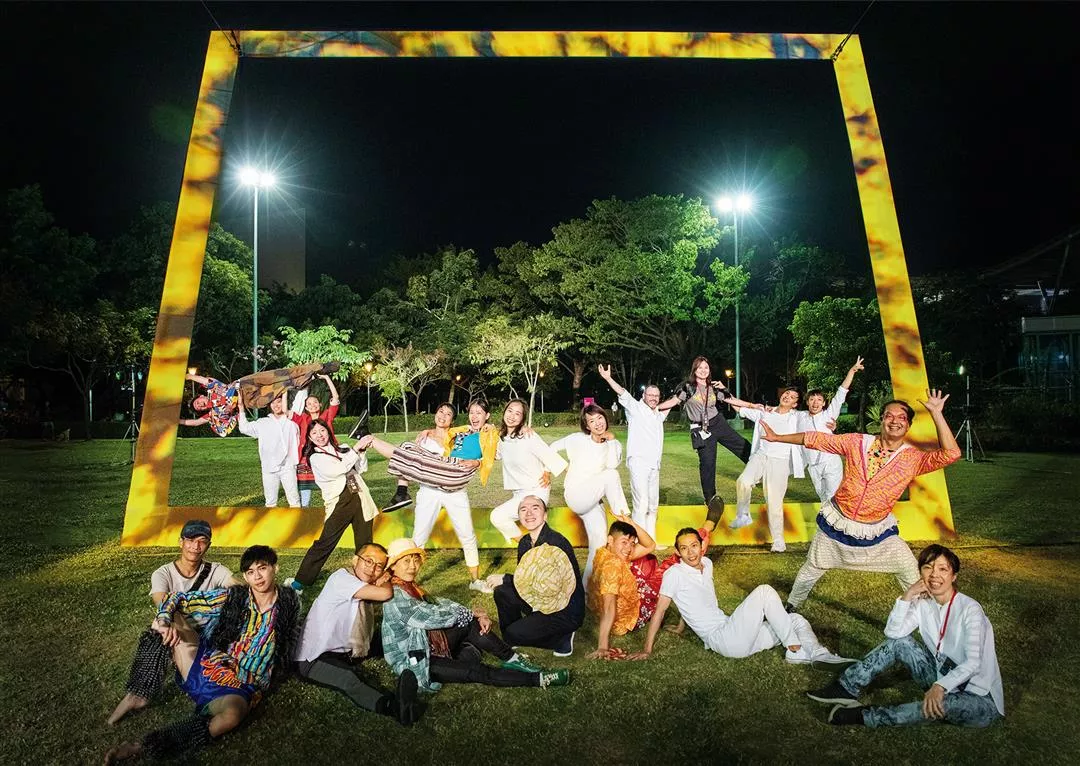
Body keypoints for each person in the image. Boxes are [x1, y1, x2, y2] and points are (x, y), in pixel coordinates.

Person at [758, 389, 961, 611]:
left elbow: (951, 454)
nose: (894, 421)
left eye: (901, 417)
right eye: (889, 416)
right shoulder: (858, 442)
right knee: (811, 568)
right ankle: (791, 607)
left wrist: (936, 413)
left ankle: (929, 616)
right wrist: (777, 438)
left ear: (908, 425)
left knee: (908, 568)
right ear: (881, 420)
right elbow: (815, 439)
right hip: (837, 525)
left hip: (876, 533)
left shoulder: (912, 458)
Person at [105, 546, 301, 762]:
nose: (257, 577)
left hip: (242, 684)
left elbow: (290, 642)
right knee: (164, 621)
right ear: (245, 577)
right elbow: (175, 599)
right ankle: (138, 693)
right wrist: (164, 621)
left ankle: (141, 747)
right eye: (250, 572)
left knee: (232, 715)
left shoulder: (288, 605)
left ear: (275, 568)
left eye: (262, 568)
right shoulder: (234, 597)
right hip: (208, 664)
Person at [807, 544, 1004, 728]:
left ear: (954, 576)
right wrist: (908, 595)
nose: (934, 575)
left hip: (979, 697)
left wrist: (939, 687)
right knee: (900, 643)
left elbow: (973, 663)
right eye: (928, 568)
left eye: (943, 569)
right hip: (942, 679)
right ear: (920, 573)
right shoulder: (924, 603)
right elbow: (893, 633)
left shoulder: (970, 609)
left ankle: (863, 716)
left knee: (943, 705)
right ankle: (846, 688)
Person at [633, 528, 850, 665]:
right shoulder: (674, 574)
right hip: (723, 639)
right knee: (764, 592)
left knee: (795, 620)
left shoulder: (707, 563)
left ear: (701, 546)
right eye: (684, 549)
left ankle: (818, 654)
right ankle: (794, 648)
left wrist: (681, 626)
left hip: (739, 635)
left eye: (694, 546)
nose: (691, 553)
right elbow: (660, 611)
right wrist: (646, 650)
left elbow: (694, 599)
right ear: (677, 552)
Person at [380, 538, 570, 693]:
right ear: (393, 566)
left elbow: (439, 603)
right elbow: (430, 616)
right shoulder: (395, 595)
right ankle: (538, 679)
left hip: (428, 643)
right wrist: (469, 614)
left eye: (415, 560)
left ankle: (511, 658)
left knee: (471, 626)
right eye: (406, 561)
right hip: (416, 659)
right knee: (477, 671)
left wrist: (473, 615)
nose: (413, 566)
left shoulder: (409, 587)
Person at [294, 543, 418, 725]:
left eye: (379, 566)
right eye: (368, 561)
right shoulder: (341, 579)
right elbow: (384, 594)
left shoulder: (360, 581)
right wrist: (385, 579)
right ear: (355, 560)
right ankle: (394, 707)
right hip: (313, 659)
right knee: (349, 679)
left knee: (388, 637)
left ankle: (426, 655)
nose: (372, 568)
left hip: (347, 651)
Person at [656, 356, 755, 533]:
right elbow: (674, 401)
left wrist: (753, 405)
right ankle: (710, 499)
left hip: (718, 423)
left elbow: (731, 400)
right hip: (700, 429)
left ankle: (758, 469)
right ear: (694, 370)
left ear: (709, 370)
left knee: (742, 445)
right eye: (700, 368)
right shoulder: (687, 387)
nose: (703, 370)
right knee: (708, 464)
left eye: (706, 368)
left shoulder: (713, 388)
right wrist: (654, 408)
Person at [284, 420, 379, 593]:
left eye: (322, 430)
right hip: (340, 502)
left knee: (365, 543)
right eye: (314, 433)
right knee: (325, 543)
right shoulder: (315, 457)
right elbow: (339, 469)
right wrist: (356, 449)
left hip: (360, 497)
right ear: (310, 438)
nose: (319, 435)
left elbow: (361, 468)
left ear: (328, 431)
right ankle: (299, 582)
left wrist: (361, 452)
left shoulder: (343, 448)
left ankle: (366, 579)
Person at [485, 495, 584, 656]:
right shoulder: (525, 542)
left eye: (535, 508)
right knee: (502, 591)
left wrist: (506, 578)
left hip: (563, 609)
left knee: (511, 634)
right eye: (523, 509)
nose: (529, 513)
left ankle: (561, 638)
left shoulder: (556, 542)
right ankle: (518, 634)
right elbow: (524, 581)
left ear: (545, 515)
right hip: (541, 600)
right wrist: (506, 582)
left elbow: (549, 584)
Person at [550, 404, 632, 585]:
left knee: (599, 542)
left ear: (606, 418)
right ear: (587, 426)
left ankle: (586, 587)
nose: (597, 423)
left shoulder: (614, 444)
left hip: (593, 498)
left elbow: (612, 464)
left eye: (600, 418)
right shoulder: (577, 439)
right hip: (576, 495)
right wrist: (557, 469)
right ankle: (625, 520)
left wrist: (611, 441)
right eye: (592, 421)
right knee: (611, 475)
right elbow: (552, 448)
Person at [597, 364, 668, 541]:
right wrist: (608, 378)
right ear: (643, 396)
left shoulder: (657, 414)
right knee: (641, 503)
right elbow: (622, 392)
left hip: (654, 465)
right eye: (650, 395)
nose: (653, 398)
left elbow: (674, 402)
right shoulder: (635, 408)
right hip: (639, 462)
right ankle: (637, 541)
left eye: (656, 396)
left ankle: (651, 540)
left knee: (653, 505)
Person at [730, 387, 803, 550]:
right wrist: (724, 392)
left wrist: (832, 425)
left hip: (780, 461)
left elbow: (815, 419)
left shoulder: (797, 417)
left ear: (795, 404)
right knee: (743, 481)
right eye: (786, 393)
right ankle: (743, 516)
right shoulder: (765, 412)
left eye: (792, 397)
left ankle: (778, 541)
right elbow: (739, 408)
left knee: (774, 502)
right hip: (761, 455)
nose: (787, 397)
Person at [488, 399, 568, 544]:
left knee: (499, 516)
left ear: (522, 418)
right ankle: (530, 547)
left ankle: (529, 547)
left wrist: (548, 471)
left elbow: (549, 455)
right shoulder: (502, 439)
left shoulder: (528, 436)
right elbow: (494, 454)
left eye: (517, 414)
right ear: (504, 412)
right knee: (501, 518)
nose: (512, 416)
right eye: (510, 411)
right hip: (518, 493)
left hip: (536, 490)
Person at [586, 517, 657, 659]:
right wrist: (602, 646)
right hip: (623, 621)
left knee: (643, 559)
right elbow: (609, 606)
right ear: (610, 540)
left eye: (632, 543)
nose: (629, 548)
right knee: (650, 563)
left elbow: (650, 545)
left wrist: (631, 524)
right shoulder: (612, 566)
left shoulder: (604, 552)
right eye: (624, 542)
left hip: (601, 611)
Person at [800, 357, 864, 504]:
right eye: (812, 399)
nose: (815, 403)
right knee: (823, 498)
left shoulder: (829, 415)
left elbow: (841, 393)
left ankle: (839, 518)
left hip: (830, 462)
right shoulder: (800, 417)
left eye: (819, 400)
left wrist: (852, 371)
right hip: (813, 465)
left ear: (823, 403)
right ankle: (828, 519)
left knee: (832, 496)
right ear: (807, 402)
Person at [237, 390, 301, 507]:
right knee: (270, 502)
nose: (276, 405)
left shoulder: (292, 422)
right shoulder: (263, 422)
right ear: (269, 405)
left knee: (294, 500)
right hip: (269, 467)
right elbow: (244, 428)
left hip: (288, 466)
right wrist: (241, 407)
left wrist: (285, 390)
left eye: (279, 402)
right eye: (273, 403)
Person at [148, 520, 234, 607]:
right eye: (191, 540)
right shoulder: (163, 574)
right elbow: (162, 605)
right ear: (181, 542)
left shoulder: (215, 570)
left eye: (202, 541)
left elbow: (238, 588)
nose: (196, 546)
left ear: (208, 545)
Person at [290, 373, 342, 507]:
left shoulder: (327, 416)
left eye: (314, 402)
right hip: (306, 456)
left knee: (330, 484)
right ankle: (305, 509)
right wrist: (285, 388)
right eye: (309, 404)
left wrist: (327, 378)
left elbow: (335, 398)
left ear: (320, 404)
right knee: (305, 491)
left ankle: (333, 507)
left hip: (326, 454)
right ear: (306, 408)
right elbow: (286, 412)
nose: (312, 405)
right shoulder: (303, 418)